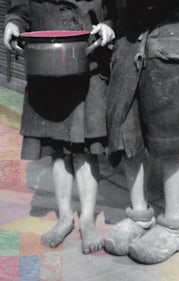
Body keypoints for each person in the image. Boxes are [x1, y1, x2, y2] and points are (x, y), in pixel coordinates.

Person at [4, 0, 116, 255]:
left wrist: (109, 27)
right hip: (47, 66)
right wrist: (12, 24)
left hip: (88, 66)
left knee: (86, 149)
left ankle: (87, 220)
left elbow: (115, 12)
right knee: (57, 147)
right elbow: (20, 10)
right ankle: (65, 217)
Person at [104, 0, 179, 264]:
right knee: (127, 132)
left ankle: (174, 226)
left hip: (171, 47)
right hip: (128, 46)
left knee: (172, 140)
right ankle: (139, 215)